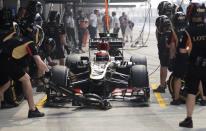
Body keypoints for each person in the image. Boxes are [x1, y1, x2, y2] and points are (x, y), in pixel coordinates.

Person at [0, 21, 48, 118]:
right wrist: (49, 72)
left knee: (6, 84)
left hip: (3, 58)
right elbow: (39, 63)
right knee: (26, 79)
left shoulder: (19, 40)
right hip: (5, 59)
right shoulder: (30, 43)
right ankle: (32, 110)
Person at [179, 2, 206, 128]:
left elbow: (182, 50)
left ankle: (189, 120)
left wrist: (190, 48)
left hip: (194, 66)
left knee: (191, 92)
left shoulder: (187, 30)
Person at [170, 12, 192, 105]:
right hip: (191, 55)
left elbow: (172, 46)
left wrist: (171, 59)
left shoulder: (174, 30)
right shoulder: (190, 29)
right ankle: (203, 97)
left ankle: (176, 99)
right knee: (195, 77)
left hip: (180, 57)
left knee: (177, 78)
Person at [153, 1, 174, 93]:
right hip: (176, 46)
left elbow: (158, 34)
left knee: (163, 65)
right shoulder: (175, 18)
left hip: (165, 46)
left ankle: (162, 85)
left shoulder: (162, 20)